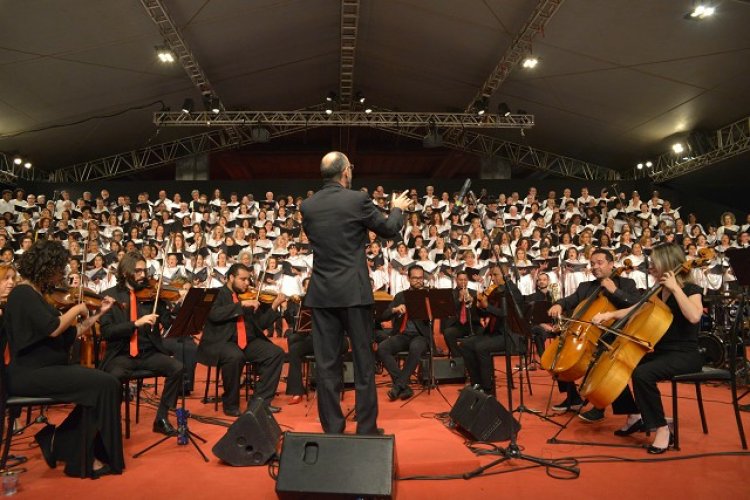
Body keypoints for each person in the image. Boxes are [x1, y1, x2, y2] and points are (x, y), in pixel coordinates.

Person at [300, 151, 409, 434]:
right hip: (353, 293)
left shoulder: (307, 206)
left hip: (322, 294)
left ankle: (333, 429)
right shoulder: (357, 199)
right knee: (362, 360)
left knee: (326, 366)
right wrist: (397, 207)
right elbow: (388, 228)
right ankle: (366, 427)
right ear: (345, 171)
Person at [4, 240, 123, 478]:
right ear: (46, 266)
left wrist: (98, 314)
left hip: (48, 368)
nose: (61, 275)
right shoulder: (22, 293)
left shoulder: (37, 295)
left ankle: (61, 443)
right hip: (30, 373)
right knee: (105, 384)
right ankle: (76, 455)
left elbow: (72, 332)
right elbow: (53, 328)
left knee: (104, 385)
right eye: (59, 269)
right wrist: (77, 309)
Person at [591, 243, 703, 453]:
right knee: (620, 362)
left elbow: (694, 316)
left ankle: (661, 429)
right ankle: (635, 414)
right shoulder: (658, 291)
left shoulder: (691, 289)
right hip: (663, 352)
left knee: (643, 373)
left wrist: (675, 288)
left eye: (654, 263)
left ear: (668, 264)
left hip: (685, 355)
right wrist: (609, 315)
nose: (650, 267)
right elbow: (636, 308)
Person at [548, 248, 641, 419]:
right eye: (592, 264)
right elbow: (571, 300)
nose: (595, 267)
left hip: (616, 335)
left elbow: (638, 305)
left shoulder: (626, 284)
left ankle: (601, 406)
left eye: (600, 263)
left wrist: (615, 291)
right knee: (562, 352)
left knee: (600, 360)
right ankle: (573, 397)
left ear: (611, 264)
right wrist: (560, 304)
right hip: (589, 335)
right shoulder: (586, 286)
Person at [99, 251, 185, 436]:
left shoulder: (151, 295)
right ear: (125, 272)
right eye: (138, 271)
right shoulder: (109, 296)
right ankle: (110, 423)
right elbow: (107, 332)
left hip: (148, 353)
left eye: (144, 271)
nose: (143, 275)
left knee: (177, 367)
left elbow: (169, 324)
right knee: (113, 377)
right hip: (121, 354)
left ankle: (161, 418)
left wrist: (177, 305)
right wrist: (135, 324)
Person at [196, 263, 286, 416]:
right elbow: (213, 314)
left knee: (276, 353)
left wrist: (274, 306)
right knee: (234, 356)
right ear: (231, 278)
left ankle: (260, 402)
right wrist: (241, 305)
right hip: (223, 341)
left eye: (248, 280)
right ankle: (230, 404)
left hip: (247, 341)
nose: (247, 283)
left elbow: (260, 324)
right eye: (243, 279)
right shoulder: (216, 293)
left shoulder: (247, 295)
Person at [460, 265, 525, 395]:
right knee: (465, 344)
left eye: (495, 275)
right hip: (494, 333)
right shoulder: (496, 290)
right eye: (491, 275)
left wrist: (487, 306)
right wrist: (478, 305)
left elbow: (506, 314)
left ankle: (487, 387)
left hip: (509, 335)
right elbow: (485, 314)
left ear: (506, 276)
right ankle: (476, 383)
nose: (492, 278)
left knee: (481, 347)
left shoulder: (512, 291)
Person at [378, 265, 432, 401]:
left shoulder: (428, 296)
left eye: (421, 278)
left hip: (421, 336)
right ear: (408, 278)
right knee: (383, 347)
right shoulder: (400, 296)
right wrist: (395, 310)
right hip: (403, 335)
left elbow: (436, 316)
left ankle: (399, 385)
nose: (419, 281)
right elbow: (383, 316)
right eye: (415, 278)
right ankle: (403, 386)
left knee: (416, 347)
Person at [442, 270, 484, 362]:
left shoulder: (474, 293)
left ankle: (478, 358)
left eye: (465, 280)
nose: (463, 282)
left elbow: (480, 311)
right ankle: (459, 359)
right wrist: (460, 299)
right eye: (461, 280)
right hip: (457, 325)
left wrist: (474, 303)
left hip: (472, 324)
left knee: (483, 331)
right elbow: (448, 311)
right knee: (448, 333)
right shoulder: (450, 294)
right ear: (456, 280)